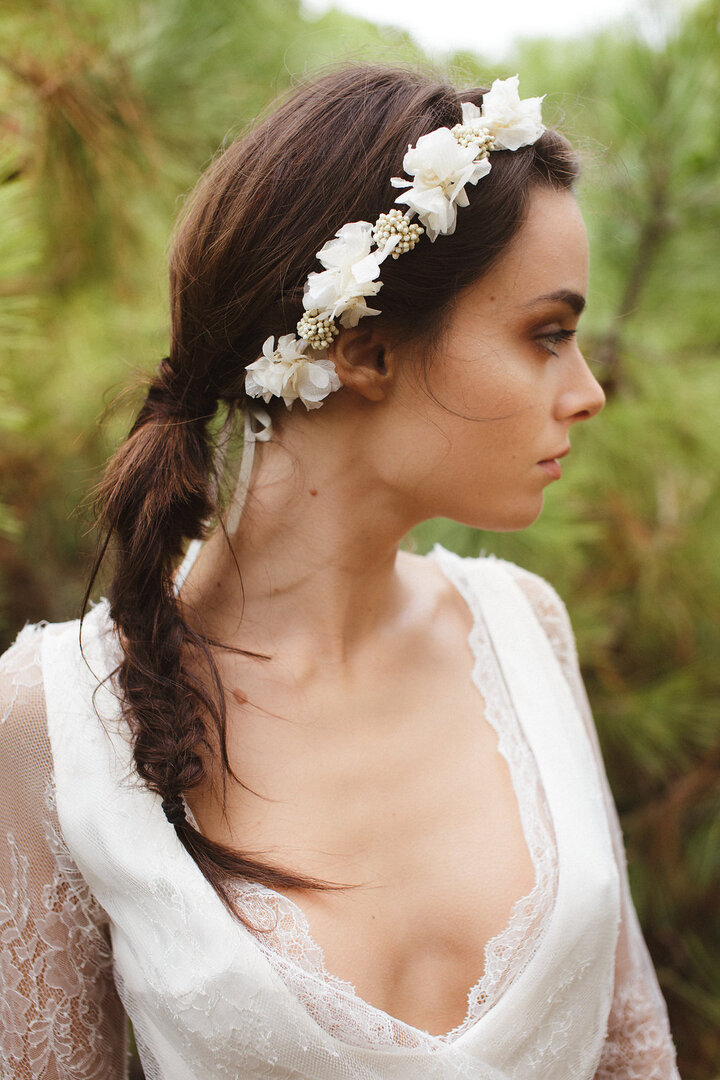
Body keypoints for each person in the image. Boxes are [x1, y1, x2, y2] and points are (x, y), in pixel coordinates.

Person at [0, 65, 680, 1079]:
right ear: (365, 350)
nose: (587, 392)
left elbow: (634, 1054)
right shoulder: (52, 724)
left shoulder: (527, 632)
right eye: (545, 335)